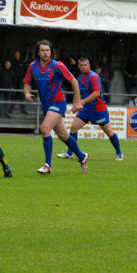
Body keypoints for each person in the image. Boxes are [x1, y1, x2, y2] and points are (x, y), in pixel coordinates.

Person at [24, 39, 89, 174]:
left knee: (44, 128)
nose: (45, 53)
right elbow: (27, 82)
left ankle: (48, 165)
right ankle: (82, 156)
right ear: (38, 52)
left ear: (51, 52)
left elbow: (73, 80)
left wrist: (77, 101)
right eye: (42, 50)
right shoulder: (33, 66)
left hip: (58, 102)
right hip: (46, 105)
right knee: (63, 135)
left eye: (47, 50)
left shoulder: (57, 65)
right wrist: (26, 93)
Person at [57, 57, 123, 161]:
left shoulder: (94, 76)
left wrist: (81, 102)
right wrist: (75, 104)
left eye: (85, 65)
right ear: (78, 66)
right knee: (73, 128)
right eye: (81, 65)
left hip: (99, 110)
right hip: (86, 110)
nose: (83, 67)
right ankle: (69, 153)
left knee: (109, 132)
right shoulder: (79, 78)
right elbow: (77, 93)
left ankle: (119, 153)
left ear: (89, 65)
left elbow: (96, 93)